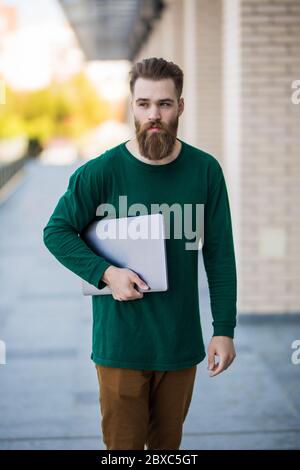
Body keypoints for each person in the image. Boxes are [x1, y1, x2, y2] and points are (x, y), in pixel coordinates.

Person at [43, 57, 237, 450]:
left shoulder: (204, 171)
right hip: (119, 345)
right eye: (144, 103)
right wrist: (105, 272)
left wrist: (224, 329)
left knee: (168, 453)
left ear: (180, 106)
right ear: (131, 105)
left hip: (179, 344)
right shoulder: (100, 172)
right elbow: (56, 232)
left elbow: (219, 254)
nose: (154, 114)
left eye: (164, 104)